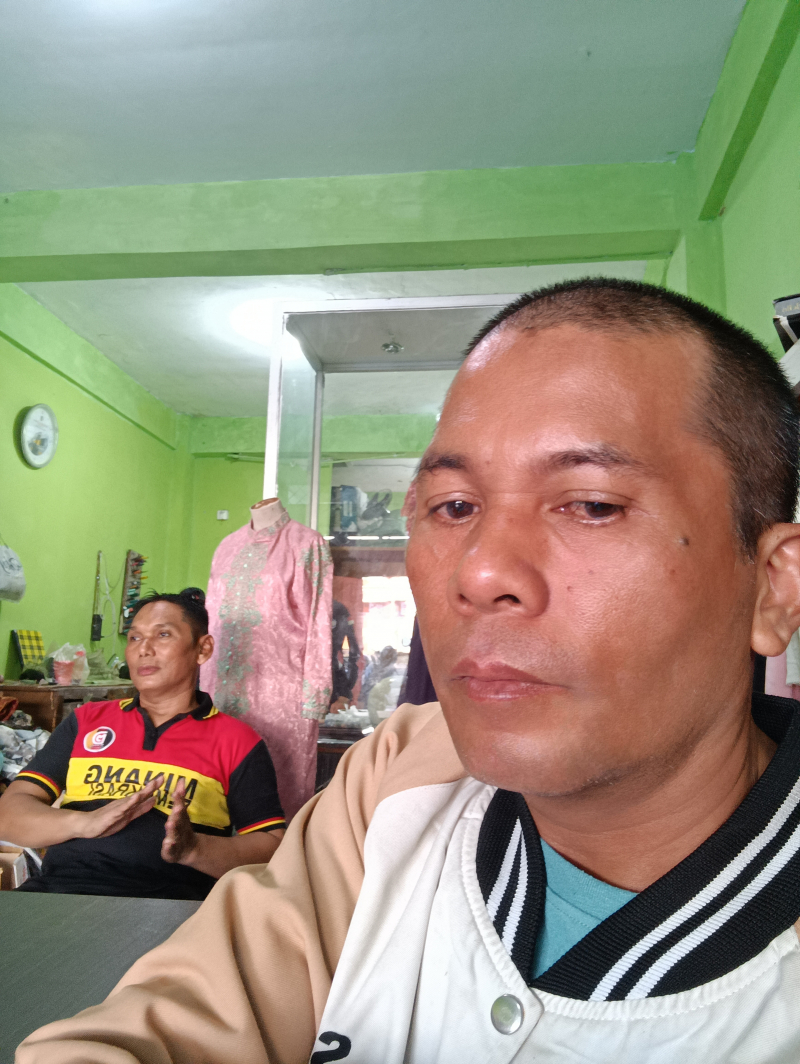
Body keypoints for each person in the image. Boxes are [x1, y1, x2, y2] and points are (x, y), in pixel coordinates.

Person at [16, 279, 800, 1063]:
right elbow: (171, 1024)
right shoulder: (399, 774)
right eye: (453, 507)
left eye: (592, 504)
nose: (478, 572)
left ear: (773, 588)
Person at [0, 589, 285, 900]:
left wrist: (194, 849)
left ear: (202, 649)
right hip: (58, 892)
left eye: (163, 635)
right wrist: (85, 822)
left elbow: (271, 847)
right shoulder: (87, 721)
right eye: (135, 638)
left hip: (167, 904)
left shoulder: (237, 740)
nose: (143, 650)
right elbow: (9, 813)